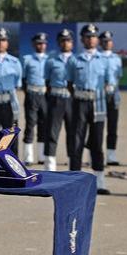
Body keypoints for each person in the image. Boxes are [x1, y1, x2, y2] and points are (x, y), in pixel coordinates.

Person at [67, 24, 111, 195]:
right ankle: (73, 180)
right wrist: (81, 96)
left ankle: (99, 181)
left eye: (93, 36)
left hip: (98, 102)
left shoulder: (104, 60)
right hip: (80, 102)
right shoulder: (75, 60)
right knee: (77, 140)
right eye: (87, 36)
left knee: (97, 142)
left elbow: (108, 82)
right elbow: (70, 83)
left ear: (97, 39)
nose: (91, 39)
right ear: (82, 39)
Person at [43, 29, 75, 171]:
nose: (65, 43)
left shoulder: (77, 60)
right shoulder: (51, 60)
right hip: (56, 98)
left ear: (72, 43)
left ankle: (72, 163)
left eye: (68, 40)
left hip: (72, 99)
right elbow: (47, 81)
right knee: (52, 132)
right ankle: (50, 165)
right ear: (58, 43)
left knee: (73, 132)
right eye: (62, 40)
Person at [22, 33, 49, 165]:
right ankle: (28, 157)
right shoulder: (27, 59)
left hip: (44, 94)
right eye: (39, 43)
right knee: (30, 124)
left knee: (44, 124)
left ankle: (42, 156)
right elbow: (23, 79)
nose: (41, 45)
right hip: (32, 94)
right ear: (34, 45)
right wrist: (29, 93)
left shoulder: (49, 60)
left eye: (43, 43)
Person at [99, 31, 123, 165]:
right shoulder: (97, 57)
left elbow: (118, 77)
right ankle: (95, 154)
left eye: (109, 41)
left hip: (113, 94)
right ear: (101, 43)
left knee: (113, 126)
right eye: (105, 41)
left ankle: (111, 155)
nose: (108, 43)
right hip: (100, 95)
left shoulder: (116, 58)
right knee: (98, 126)